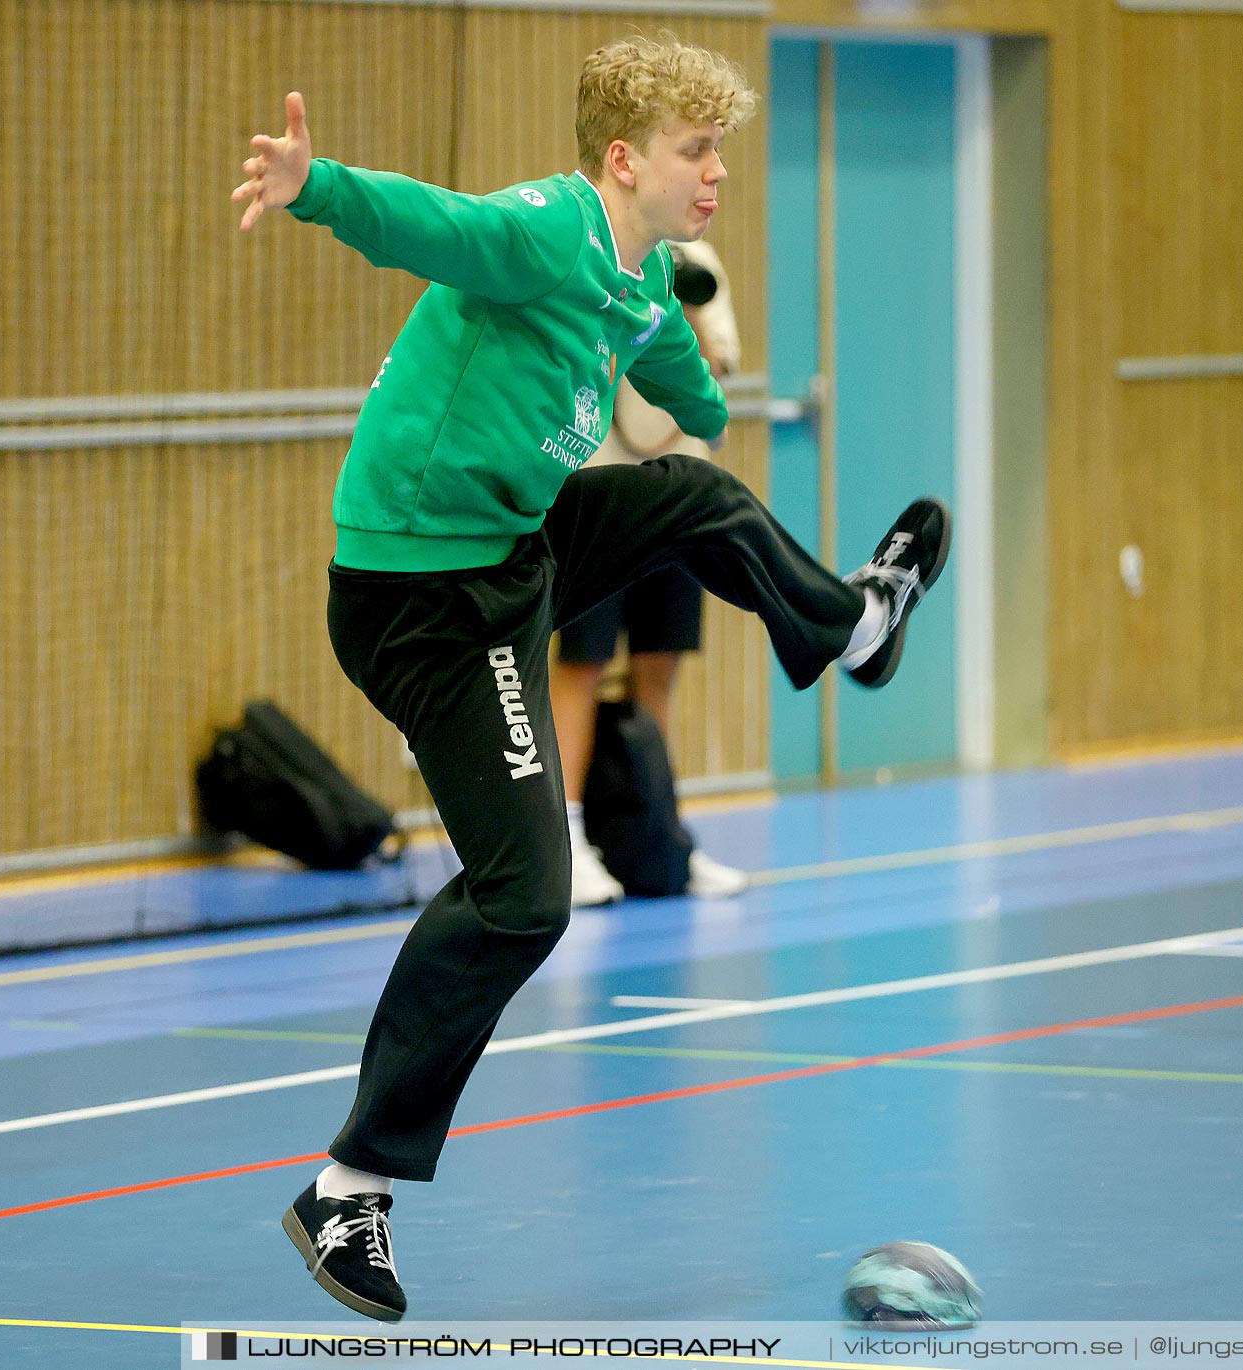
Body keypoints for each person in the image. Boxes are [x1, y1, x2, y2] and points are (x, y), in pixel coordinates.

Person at [231, 35, 949, 1323]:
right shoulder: (548, 231)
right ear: (624, 159)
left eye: (721, 148)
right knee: (524, 899)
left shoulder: (634, 281)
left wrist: (674, 355)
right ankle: (350, 1187)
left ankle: (848, 629)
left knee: (688, 494)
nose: (718, 170)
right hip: (419, 595)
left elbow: (694, 397)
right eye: (697, 148)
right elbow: (431, 227)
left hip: (509, 551)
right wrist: (314, 182)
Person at [551, 234, 749, 905]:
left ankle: (660, 832)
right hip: (599, 496)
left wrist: (684, 322)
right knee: (581, 664)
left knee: (658, 666)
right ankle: (567, 840)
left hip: (677, 494)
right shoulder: (592, 254)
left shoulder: (702, 263)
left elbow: (718, 364)